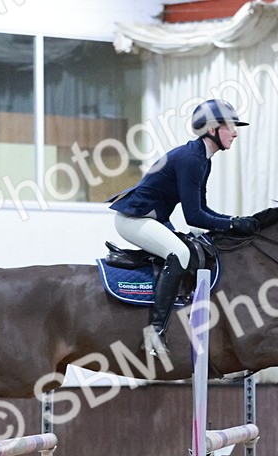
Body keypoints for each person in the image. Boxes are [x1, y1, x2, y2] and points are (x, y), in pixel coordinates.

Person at [109, 98, 260, 358]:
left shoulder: (203, 159)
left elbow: (203, 209)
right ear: (212, 129)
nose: (235, 133)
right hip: (133, 219)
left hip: (151, 219)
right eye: (230, 127)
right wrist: (233, 224)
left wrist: (234, 221)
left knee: (194, 246)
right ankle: (154, 332)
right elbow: (194, 217)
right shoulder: (191, 158)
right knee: (180, 253)